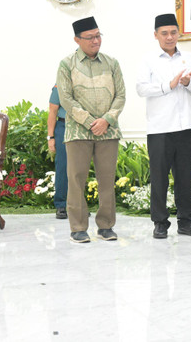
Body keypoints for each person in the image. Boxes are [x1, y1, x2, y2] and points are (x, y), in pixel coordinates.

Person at [57, 16, 126, 243]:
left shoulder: (112, 63)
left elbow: (120, 96)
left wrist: (106, 120)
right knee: (76, 180)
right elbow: (66, 99)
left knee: (107, 180)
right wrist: (89, 122)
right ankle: (78, 227)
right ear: (77, 40)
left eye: (98, 36)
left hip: (108, 131)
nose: (96, 41)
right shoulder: (67, 65)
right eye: (90, 37)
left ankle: (106, 226)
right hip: (78, 132)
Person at [136, 13, 191, 239]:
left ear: (179, 33)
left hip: (185, 127)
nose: (169, 37)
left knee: (186, 177)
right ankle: (160, 222)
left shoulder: (190, 58)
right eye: (164, 33)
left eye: (173, 32)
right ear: (155, 35)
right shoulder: (148, 60)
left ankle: (186, 222)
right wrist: (169, 85)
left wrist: (188, 83)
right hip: (159, 129)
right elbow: (141, 89)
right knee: (159, 178)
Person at [47, 84, 68, 219]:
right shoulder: (59, 86)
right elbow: (53, 112)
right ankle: (61, 205)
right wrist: (51, 137)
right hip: (63, 126)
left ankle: (78, 205)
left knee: (80, 168)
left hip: (82, 127)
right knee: (63, 166)